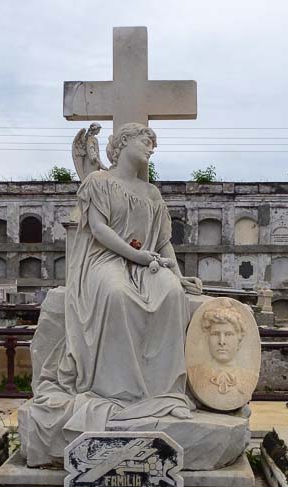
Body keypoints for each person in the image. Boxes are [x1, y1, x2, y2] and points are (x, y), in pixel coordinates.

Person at [26, 123, 203, 466]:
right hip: (104, 261)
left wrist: (178, 278)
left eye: (153, 143)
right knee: (116, 293)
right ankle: (115, 391)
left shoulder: (152, 193)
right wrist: (136, 256)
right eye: (145, 140)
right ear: (123, 143)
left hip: (148, 264)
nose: (151, 147)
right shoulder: (99, 182)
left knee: (169, 295)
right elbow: (99, 228)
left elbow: (163, 240)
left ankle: (162, 393)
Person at [187, 298, 258, 410]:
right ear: (207, 338)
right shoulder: (195, 374)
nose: (222, 341)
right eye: (215, 334)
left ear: (239, 339)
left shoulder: (249, 378)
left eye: (229, 334)